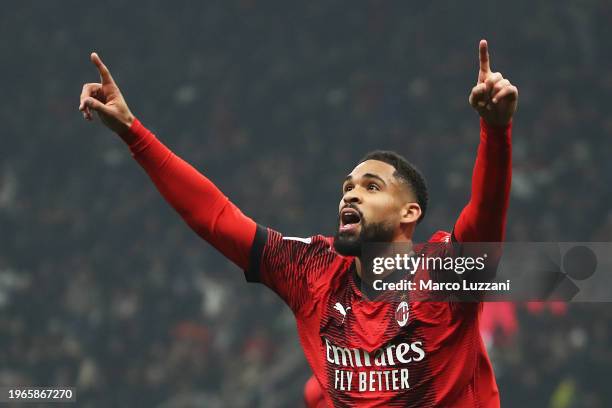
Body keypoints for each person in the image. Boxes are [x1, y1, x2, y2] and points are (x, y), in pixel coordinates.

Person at [79, 39, 517, 407]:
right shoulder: (312, 269)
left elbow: (486, 214)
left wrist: (495, 131)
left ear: (410, 213)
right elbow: (215, 217)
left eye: (371, 186)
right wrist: (132, 131)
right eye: (347, 186)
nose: (350, 193)